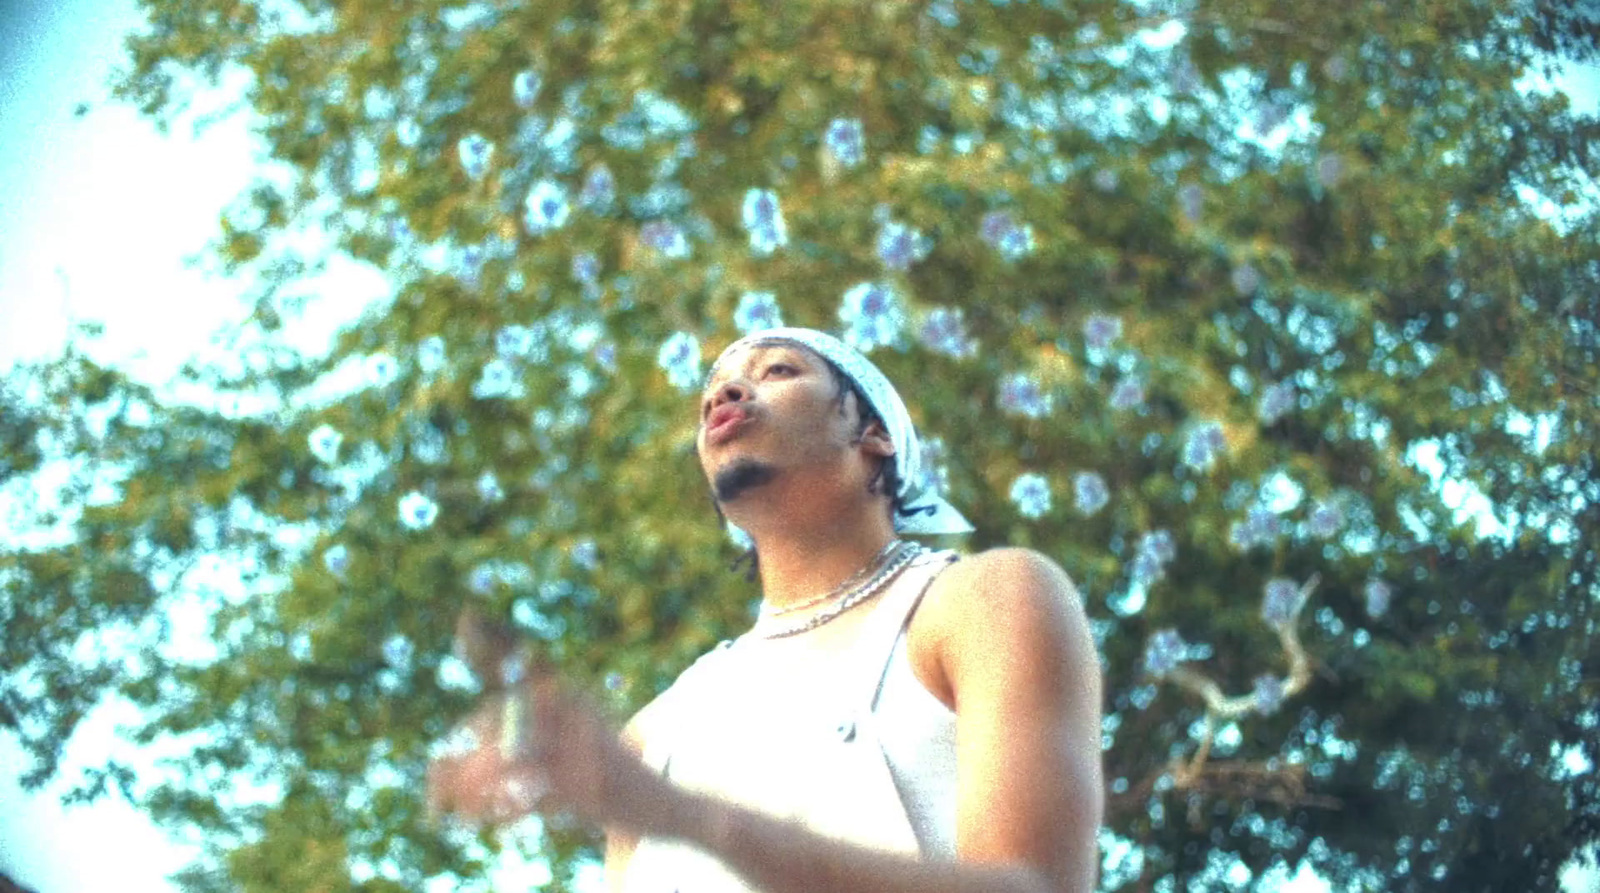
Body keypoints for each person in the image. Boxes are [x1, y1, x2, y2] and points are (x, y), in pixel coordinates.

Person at [427, 327, 1104, 893]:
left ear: (874, 433)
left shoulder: (978, 600)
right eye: (710, 395)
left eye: (778, 369)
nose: (724, 392)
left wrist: (687, 816)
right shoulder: (654, 731)